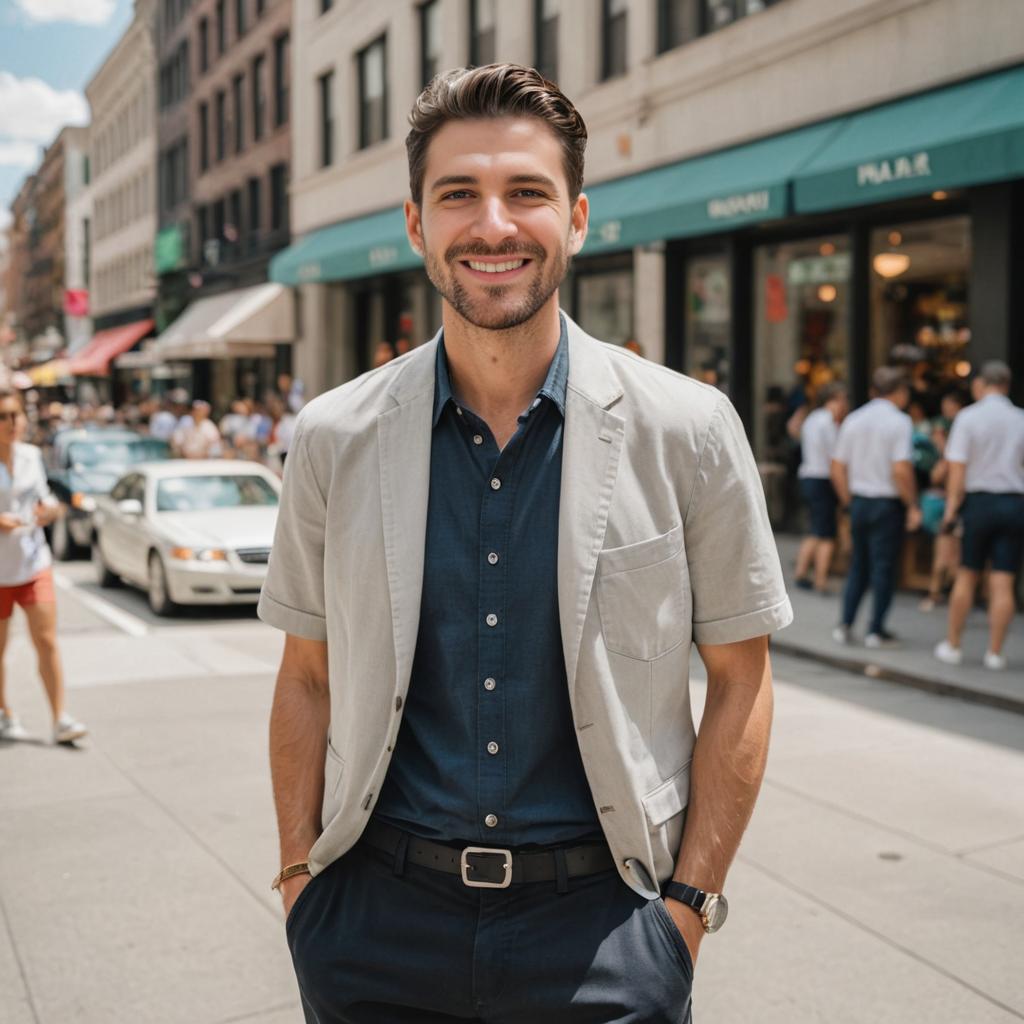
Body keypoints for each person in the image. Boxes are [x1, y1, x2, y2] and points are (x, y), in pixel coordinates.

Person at [259, 64, 793, 1024]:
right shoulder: (334, 437)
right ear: (418, 226)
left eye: (527, 193)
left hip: (607, 935)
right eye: (459, 193)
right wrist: (303, 882)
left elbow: (742, 679)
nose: (493, 225)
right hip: (372, 930)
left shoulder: (691, 428)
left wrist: (687, 912)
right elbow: (305, 676)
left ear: (577, 219)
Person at [0, 392, 87, 744]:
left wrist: (50, 510)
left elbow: (46, 497)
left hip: (34, 562)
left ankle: (59, 718)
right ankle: (5, 712)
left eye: (15, 415)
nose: (11, 423)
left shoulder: (32, 455)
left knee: (47, 641)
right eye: (3, 416)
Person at [934, 361, 1024, 670]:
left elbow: (957, 471)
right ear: (1007, 385)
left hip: (980, 503)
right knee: (1004, 580)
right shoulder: (1020, 419)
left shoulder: (968, 417)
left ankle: (954, 645)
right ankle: (995, 653)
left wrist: (950, 510)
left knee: (967, 573)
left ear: (981, 384)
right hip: (1014, 503)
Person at [831, 366, 922, 648]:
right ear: (900, 392)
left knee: (859, 564)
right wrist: (913, 505)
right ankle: (875, 629)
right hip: (886, 502)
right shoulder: (900, 422)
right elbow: (901, 470)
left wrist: (848, 500)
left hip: (860, 500)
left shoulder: (854, 419)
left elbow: (836, 467)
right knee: (883, 567)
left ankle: (845, 624)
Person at [793, 382, 848, 593]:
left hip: (807, 476)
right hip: (822, 478)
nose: (844, 405)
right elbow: (836, 458)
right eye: (842, 400)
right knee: (826, 534)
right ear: (833, 400)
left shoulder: (812, 419)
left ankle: (801, 572)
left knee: (815, 529)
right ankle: (820, 579)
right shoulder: (828, 423)